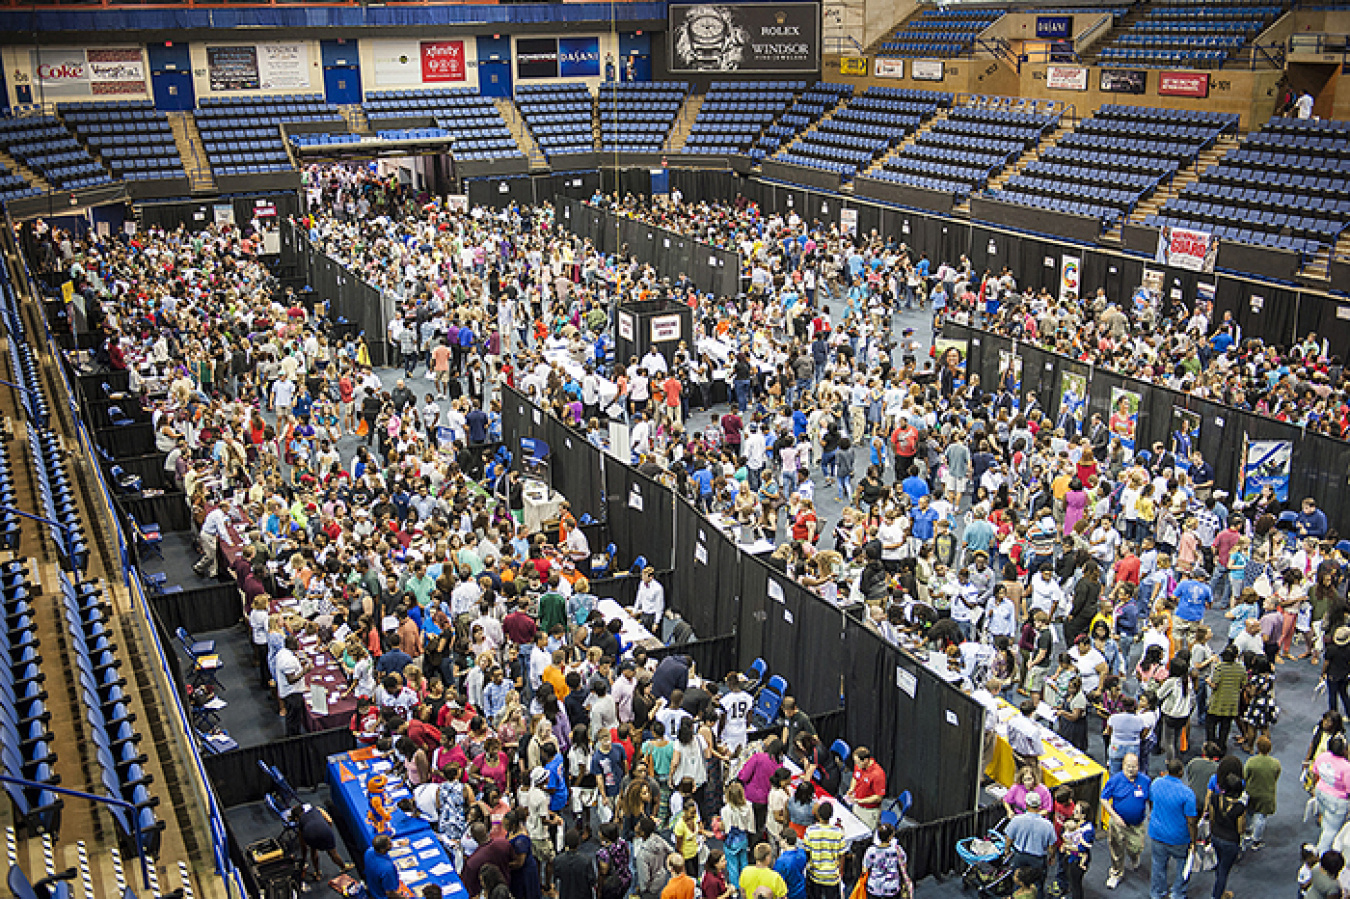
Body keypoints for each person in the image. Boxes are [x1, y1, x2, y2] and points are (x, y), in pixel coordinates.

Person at [1147, 759, 1198, 899]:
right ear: (1181, 772)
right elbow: (1191, 821)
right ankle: (1177, 893)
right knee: (1183, 866)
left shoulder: (1156, 783)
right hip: (1179, 838)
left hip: (1157, 834)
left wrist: (1153, 815)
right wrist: (1193, 841)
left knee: (1158, 865)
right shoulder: (1187, 793)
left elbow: (1151, 802)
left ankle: (1157, 892)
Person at [1100, 751, 1149, 891]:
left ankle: (1134, 856)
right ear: (1123, 766)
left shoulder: (1145, 781)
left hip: (1137, 824)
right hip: (1118, 823)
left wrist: (1151, 812)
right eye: (1128, 766)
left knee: (1136, 847)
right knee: (1116, 849)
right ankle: (1116, 873)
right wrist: (1114, 816)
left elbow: (1150, 799)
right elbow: (1104, 799)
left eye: (1134, 766)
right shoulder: (1115, 780)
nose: (1131, 769)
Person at [1005, 791, 1055, 899]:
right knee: (1037, 885)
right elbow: (1051, 846)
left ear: (1026, 804)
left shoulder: (1017, 820)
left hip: (1019, 856)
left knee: (1018, 882)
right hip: (1037, 859)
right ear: (1040, 806)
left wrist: (1007, 850)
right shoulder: (1048, 825)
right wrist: (1052, 857)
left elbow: (1009, 837)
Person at [1206, 774, 1245, 899]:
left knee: (1220, 865)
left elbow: (1212, 818)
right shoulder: (1239, 808)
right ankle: (1216, 896)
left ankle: (1222, 892)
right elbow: (1240, 829)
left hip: (1216, 836)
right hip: (1230, 842)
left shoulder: (1215, 799)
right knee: (1224, 870)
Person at [1242, 734, 1280, 851]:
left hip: (1251, 792)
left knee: (1249, 813)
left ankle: (1247, 832)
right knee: (1261, 817)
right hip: (1266, 794)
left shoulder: (1251, 761)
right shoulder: (1275, 763)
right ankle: (1256, 840)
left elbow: (1245, 776)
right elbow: (1276, 777)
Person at [293, 802, 348, 881]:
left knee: (313, 852)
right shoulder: (316, 809)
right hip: (325, 831)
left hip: (311, 835)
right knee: (333, 852)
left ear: (296, 818)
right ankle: (343, 867)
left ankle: (318, 873)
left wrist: (304, 858)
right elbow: (329, 821)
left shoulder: (300, 823)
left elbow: (303, 845)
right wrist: (328, 831)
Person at [801, 801, 846, 899]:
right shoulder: (838, 832)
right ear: (831, 816)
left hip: (815, 874)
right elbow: (842, 855)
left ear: (818, 814)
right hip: (832, 876)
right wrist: (840, 872)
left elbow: (806, 851)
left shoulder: (810, 831)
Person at [1314, 733, 1350, 854]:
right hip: (1336, 801)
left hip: (1321, 793)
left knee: (1326, 822)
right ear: (1344, 750)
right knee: (1332, 831)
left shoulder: (1322, 756)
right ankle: (1321, 855)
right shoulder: (1346, 767)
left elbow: (1315, 772)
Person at [860, 822, 911, 899]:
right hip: (891, 888)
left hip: (874, 888)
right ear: (890, 837)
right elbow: (904, 865)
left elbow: (864, 869)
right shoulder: (897, 849)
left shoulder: (871, 850)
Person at [846, 747, 886, 831]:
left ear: (866, 760)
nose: (856, 765)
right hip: (857, 805)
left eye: (858, 762)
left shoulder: (878, 774)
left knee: (866, 833)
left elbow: (878, 797)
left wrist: (861, 801)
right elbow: (855, 777)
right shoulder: (859, 765)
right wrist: (851, 789)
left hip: (869, 811)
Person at [554, 829, 597, 899]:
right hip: (583, 895)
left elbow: (556, 877)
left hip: (566, 895)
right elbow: (592, 880)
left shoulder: (558, 860)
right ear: (578, 842)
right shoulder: (586, 860)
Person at [363, 835, 401, 899]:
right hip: (381, 895)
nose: (392, 844)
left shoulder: (369, 852)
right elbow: (390, 893)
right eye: (389, 844)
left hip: (373, 888)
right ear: (382, 849)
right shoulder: (387, 869)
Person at [774, 830, 808, 899]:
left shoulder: (782, 861)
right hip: (802, 891)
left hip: (790, 894)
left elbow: (778, 880)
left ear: (785, 840)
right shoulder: (802, 852)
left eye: (780, 840)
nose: (779, 842)